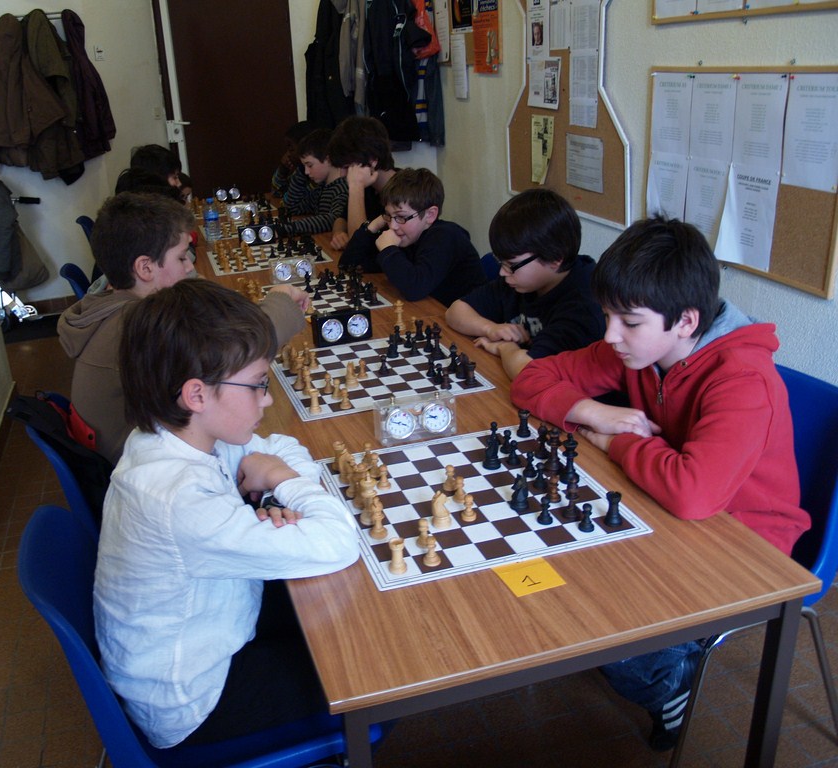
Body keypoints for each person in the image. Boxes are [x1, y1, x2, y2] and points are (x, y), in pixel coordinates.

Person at [510, 215, 811, 751]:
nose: (610, 335)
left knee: (599, 627)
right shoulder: (641, 349)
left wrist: (615, 444)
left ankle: (671, 684)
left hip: (749, 543)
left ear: (686, 321)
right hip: (666, 507)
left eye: (628, 321)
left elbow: (694, 494)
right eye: (608, 316)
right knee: (557, 580)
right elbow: (533, 377)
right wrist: (592, 412)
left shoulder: (743, 378)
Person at [94, 279, 359, 749]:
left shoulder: (171, 435)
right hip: (194, 702)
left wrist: (276, 472)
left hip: (212, 629)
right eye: (257, 385)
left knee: (334, 614)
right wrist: (283, 480)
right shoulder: (177, 498)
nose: (268, 399)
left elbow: (280, 446)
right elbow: (339, 541)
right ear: (196, 395)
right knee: (365, 668)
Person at [58, 193, 307, 464]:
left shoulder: (109, 303)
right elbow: (234, 353)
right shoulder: (137, 326)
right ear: (145, 268)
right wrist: (281, 299)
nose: (190, 266)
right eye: (180, 258)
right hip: (147, 468)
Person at [446, 189, 605, 380]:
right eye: (501, 262)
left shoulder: (584, 306)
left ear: (555, 258)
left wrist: (505, 347)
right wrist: (490, 329)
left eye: (511, 265)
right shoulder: (519, 281)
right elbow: (455, 311)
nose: (502, 272)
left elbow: (528, 372)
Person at [338, 168, 485, 307]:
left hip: (465, 321)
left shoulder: (445, 237)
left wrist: (389, 250)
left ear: (430, 215)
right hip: (430, 311)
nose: (392, 226)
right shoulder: (406, 235)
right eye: (388, 216)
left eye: (401, 217)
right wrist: (371, 227)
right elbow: (348, 265)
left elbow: (414, 288)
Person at [327, 115, 399, 242]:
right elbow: (341, 219)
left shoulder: (405, 193)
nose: (342, 174)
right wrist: (339, 232)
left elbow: (358, 244)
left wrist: (356, 188)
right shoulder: (369, 186)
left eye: (347, 167)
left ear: (372, 160)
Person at [275, 128, 348, 245]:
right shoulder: (322, 188)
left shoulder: (342, 189)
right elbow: (293, 207)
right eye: (304, 166)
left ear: (328, 159)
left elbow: (332, 219)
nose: (307, 171)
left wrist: (286, 229)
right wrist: (300, 172)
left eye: (309, 165)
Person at [271, 120, 320, 211]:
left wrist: (301, 169)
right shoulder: (300, 173)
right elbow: (276, 193)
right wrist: (282, 169)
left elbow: (289, 205)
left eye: (291, 149)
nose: (288, 154)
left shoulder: (317, 177)